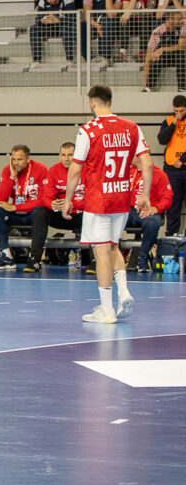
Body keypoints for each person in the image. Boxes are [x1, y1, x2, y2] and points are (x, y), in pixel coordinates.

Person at [60, 84, 152, 323]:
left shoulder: (88, 131)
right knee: (113, 246)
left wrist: (68, 199)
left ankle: (107, 309)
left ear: (92, 103)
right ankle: (124, 291)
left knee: (101, 252)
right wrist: (145, 196)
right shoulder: (132, 127)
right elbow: (147, 164)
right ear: (111, 102)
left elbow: (75, 169)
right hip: (121, 198)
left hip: (98, 201)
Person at [0, 144, 53, 272]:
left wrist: (16, 207)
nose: (16, 163)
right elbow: (1, 200)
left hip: (32, 213)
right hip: (16, 213)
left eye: (19, 159)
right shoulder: (7, 170)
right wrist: (11, 177)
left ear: (28, 159)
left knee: (41, 211)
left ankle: (34, 258)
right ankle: (6, 255)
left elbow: (43, 200)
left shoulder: (40, 169)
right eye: (13, 159)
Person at [128, 161, 173, 272]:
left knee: (152, 223)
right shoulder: (126, 172)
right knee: (112, 220)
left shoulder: (159, 174)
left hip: (149, 210)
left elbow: (167, 198)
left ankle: (142, 258)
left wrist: (155, 209)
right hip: (129, 210)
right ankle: (114, 259)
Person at [157, 94, 186, 235]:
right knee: (173, 207)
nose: (179, 114)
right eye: (176, 111)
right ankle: (171, 239)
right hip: (172, 171)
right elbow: (162, 139)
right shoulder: (168, 121)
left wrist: (182, 159)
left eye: (182, 111)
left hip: (183, 166)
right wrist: (174, 122)